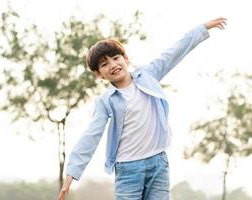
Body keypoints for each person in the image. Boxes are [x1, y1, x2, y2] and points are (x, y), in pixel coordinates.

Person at [59, 17, 227, 200]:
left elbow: (173, 53)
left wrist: (202, 29)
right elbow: (91, 134)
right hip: (128, 168)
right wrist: (72, 171)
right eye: (104, 64)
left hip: (158, 163)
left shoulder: (148, 75)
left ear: (125, 58)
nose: (113, 65)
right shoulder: (106, 100)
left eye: (116, 58)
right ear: (99, 74)